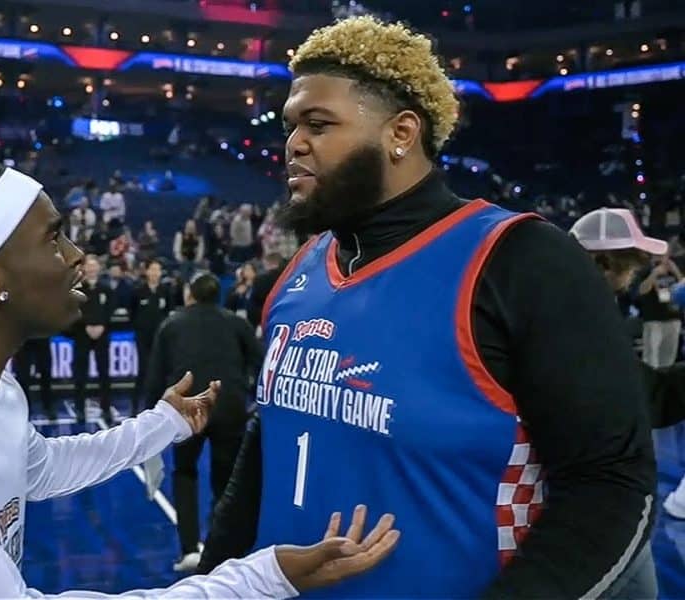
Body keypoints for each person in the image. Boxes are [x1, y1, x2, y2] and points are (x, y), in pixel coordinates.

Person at [0, 158, 399, 598]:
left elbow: (42, 468)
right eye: (54, 240)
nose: (78, 256)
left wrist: (162, 424)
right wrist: (260, 578)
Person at [198, 15, 655, 599]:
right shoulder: (298, 271)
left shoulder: (519, 259)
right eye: (291, 126)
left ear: (401, 133)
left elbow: (610, 483)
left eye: (318, 123)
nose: (294, 144)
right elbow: (264, 452)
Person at [570, 208, 685, 522]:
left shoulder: (572, 302)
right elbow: (644, 396)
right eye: (630, 264)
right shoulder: (574, 317)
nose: (633, 274)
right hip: (587, 491)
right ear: (603, 262)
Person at [146, 272, 263, 573]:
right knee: (227, 481)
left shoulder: (171, 324)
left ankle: (189, 550)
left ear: (190, 294)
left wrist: (148, 427)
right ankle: (223, 550)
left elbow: (155, 376)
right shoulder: (236, 323)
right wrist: (249, 394)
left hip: (187, 409)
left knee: (184, 473)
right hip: (229, 406)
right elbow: (262, 361)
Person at [71, 254, 114, 423]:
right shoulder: (77, 289)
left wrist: (102, 325)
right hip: (82, 334)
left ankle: (106, 408)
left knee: (104, 373)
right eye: (89, 266)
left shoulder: (106, 289)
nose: (91, 269)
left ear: (99, 268)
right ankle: (80, 408)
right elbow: (73, 310)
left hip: (102, 334)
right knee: (80, 373)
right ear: (84, 268)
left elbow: (111, 309)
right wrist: (86, 325)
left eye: (94, 266)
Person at [130, 258, 175, 415]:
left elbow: (170, 313)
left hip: (160, 339)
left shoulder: (166, 291)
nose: (155, 273)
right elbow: (132, 312)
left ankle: (160, 406)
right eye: (153, 269)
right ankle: (135, 406)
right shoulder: (138, 291)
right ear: (147, 271)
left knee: (160, 372)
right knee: (143, 370)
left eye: (158, 270)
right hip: (143, 338)